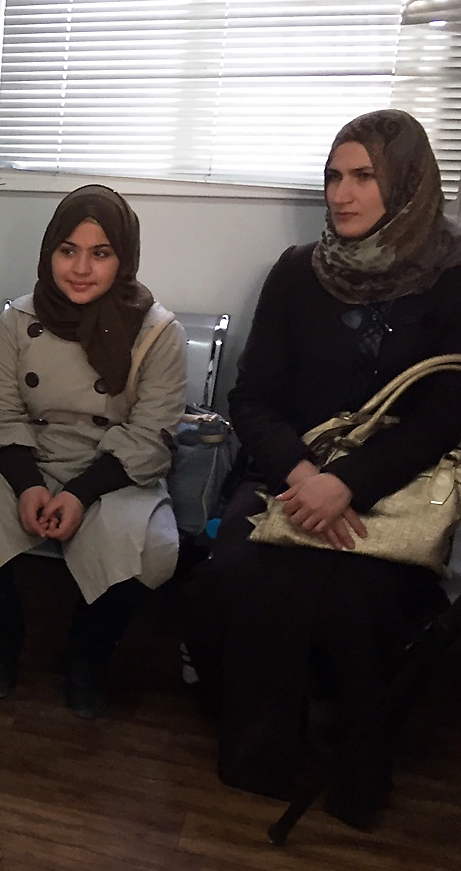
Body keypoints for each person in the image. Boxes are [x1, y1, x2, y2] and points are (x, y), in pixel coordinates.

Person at [184, 110, 461, 826]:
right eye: (334, 176)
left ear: (406, 183)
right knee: (240, 572)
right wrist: (303, 475)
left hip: (394, 488)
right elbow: (252, 399)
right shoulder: (298, 273)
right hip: (287, 473)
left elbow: (441, 418)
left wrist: (351, 484)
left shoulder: (451, 278)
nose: (342, 193)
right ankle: (261, 758)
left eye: (364, 175)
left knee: (358, 598)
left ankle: (354, 768)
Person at [0, 185, 186, 718]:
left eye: (100, 253)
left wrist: (81, 493)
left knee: (150, 544)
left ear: (123, 258)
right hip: (30, 455)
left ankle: (89, 656)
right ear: (49, 252)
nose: (81, 268)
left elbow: (151, 432)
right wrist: (30, 484)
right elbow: (0, 411)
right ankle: (3, 639)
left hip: (115, 467)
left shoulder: (157, 333)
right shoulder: (18, 318)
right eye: (68, 250)